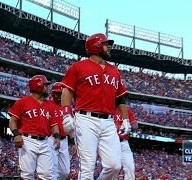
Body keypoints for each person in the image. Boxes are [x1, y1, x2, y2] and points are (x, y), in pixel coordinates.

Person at [60, 33, 132, 180]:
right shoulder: (78, 67)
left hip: (108, 122)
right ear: (96, 45)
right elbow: (67, 90)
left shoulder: (114, 71)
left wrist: (125, 119)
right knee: (87, 166)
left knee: (114, 165)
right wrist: (67, 114)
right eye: (106, 44)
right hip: (86, 120)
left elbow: (119, 97)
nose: (109, 47)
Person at [9, 75, 61, 180]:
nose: (47, 87)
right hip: (28, 140)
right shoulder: (22, 102)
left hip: (45, 141)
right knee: (27, 174)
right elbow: (12, 121)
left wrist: (57, 137)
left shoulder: (49, 104)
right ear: (38, 85)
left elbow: (54, 124)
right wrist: (16, 135)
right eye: (45, 85)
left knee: (47, 174)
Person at [48, 82, 75, 180]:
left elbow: (70, 127)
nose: (59, 96)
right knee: (53, 169)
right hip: (51, 139)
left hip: (64, 140)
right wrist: (56, 137)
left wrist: (73, 142)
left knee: (65, 172)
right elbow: (52, 124)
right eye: (57, 93)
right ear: (52, 93)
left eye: (61, 93)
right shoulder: (47, 104)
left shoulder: (67, 107)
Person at [114, 107, 138, 180]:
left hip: (123, 142)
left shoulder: (127, 110)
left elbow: (135, 125)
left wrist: (129, 127)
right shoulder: (108, 108)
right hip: (111, 142)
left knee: (130, 167)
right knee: (113, 167)